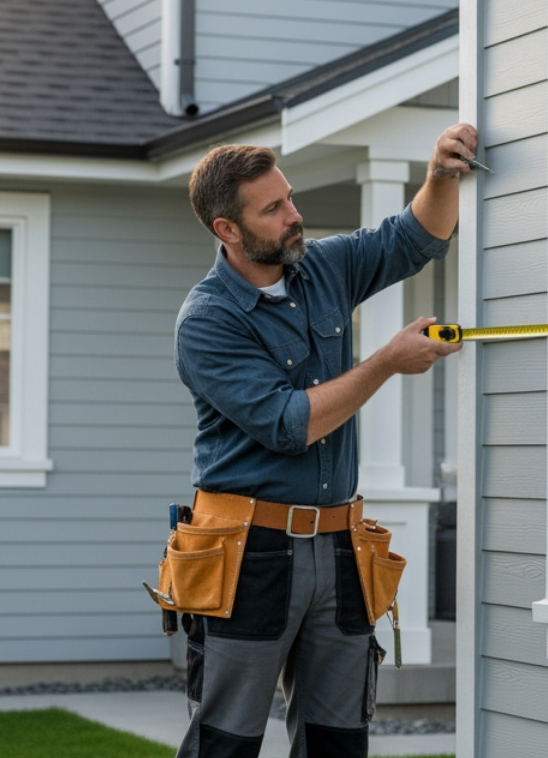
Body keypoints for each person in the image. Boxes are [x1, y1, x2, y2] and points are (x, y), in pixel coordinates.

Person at [171, 124, 477, 758]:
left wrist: (441, 174)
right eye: (274, 207)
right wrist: (387, 361)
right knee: (224, 745)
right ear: (228, 229)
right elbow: (291, 425)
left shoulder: (322, 267)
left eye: (290, 197)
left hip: (340, 548)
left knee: (338, 742)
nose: (294, 215)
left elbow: (416, 237)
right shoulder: (207, 321)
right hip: (246, 553)